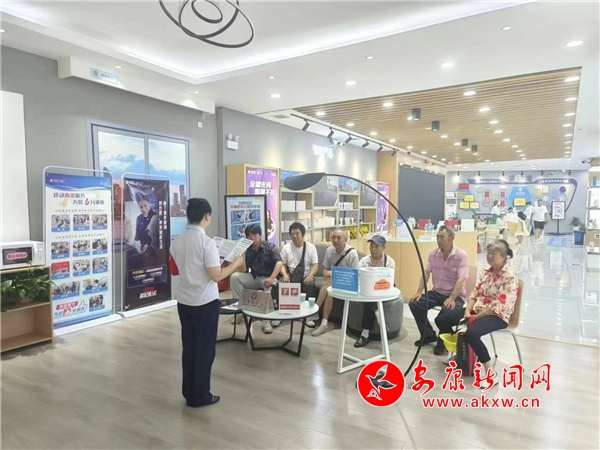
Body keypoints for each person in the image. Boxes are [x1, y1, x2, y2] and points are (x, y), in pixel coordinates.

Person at [171, 198, 244, 408]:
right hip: (204, 303)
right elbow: (216, 275)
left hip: (184, 302)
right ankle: (201, 396)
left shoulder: (177, 241)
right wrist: (236, 264)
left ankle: (189, 392)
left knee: (189, 347)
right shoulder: (206, 243)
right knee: (204, 350)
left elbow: (175, 270)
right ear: (207, 216)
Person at [461, 240, 518, 379]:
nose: (490, 256)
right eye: (488, 253)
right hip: (477, 310)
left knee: (472, 334)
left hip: (497, 316)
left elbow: (498, 305)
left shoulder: (509, 276)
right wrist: (467, 311)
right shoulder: (486, 272)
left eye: (494, 253)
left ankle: (490, 373)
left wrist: (476, 317)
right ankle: (461, 357)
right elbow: (475, 293)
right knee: (445, 317)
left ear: (503, 257)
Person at [409, 225, 469, 355]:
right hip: (437, 292)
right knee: (415, 304)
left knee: (444, 316)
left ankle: (443, 343)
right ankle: (428, 335)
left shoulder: (461, 255)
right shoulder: (433, 254)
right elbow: (426, 273)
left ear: (451, 238)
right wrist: (419, 291)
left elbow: (461, 279)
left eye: (442, 237)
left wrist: (452, 297)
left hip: (456, 295)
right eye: (437, 237)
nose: (438, 240)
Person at [229, 224, 283, 334]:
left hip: (268, 278)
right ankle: (240, 311)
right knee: (234, 277)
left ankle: (266, 322)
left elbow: (279, 262)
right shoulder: (248, 249)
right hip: (254, 277)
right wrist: (242, 255)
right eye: (249, 236)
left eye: (255, 235)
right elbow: (244, 270)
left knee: (268, 286)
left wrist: (272, 278)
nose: (252, 238)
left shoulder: (269, 246)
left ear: (260, 235)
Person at [312, 228, 360, 337]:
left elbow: (355, 275)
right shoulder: (329, 250)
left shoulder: (352, 253)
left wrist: (334, 274)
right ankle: (323, 321)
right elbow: (325, 269)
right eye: (333, 237)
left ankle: (315, 312)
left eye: (339, 238)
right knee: (328, 286)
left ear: (345, 239)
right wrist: (325, 273)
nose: (335, 240)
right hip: (332, 282)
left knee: (329, 290)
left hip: (348, 283)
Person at [354, 235, 396, 348]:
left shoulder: (389, 262)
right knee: (370, 298)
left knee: (371, 298)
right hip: (368, 290)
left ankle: (365, 334)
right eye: (371, 246)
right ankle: (378, 315)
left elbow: (389, 281)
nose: (373, 249)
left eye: (376, 246)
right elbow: (359, 278)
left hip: (384, 289)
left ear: (383, 248)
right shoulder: (364, 261)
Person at [279, 222, 319, 301]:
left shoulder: (311, 247)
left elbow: (315, 265)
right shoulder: (286, 248)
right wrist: (285, 275)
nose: (295, 236)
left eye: (297, 233)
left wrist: (310, 276)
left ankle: (308, 308)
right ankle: (288, 308)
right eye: (292, 234)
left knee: (310, 285)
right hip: (292, 277)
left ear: (303, 235)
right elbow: (282, 264)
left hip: (306, 277)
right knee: (282, 284)